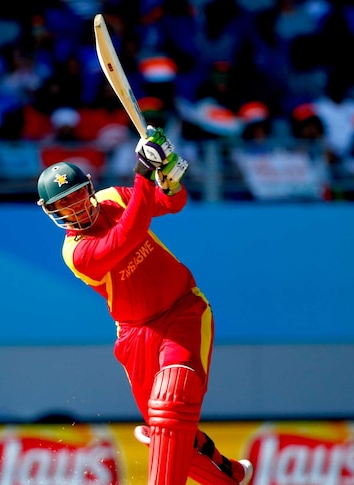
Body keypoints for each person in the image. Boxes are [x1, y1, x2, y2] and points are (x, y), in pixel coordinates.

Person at [36, 126, 253, 485]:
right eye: (63, 203)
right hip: (136, 334)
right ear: (51, 210)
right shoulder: (75, 253)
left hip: (182, 309)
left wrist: (168, 177)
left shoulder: (115, 199)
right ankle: (228, 474)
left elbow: (172, 203)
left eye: (76, 195)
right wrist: (142, 172)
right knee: (165, 431)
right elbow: (127, 236)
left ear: (89, 189)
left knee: (170, 407)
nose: (73, 207)